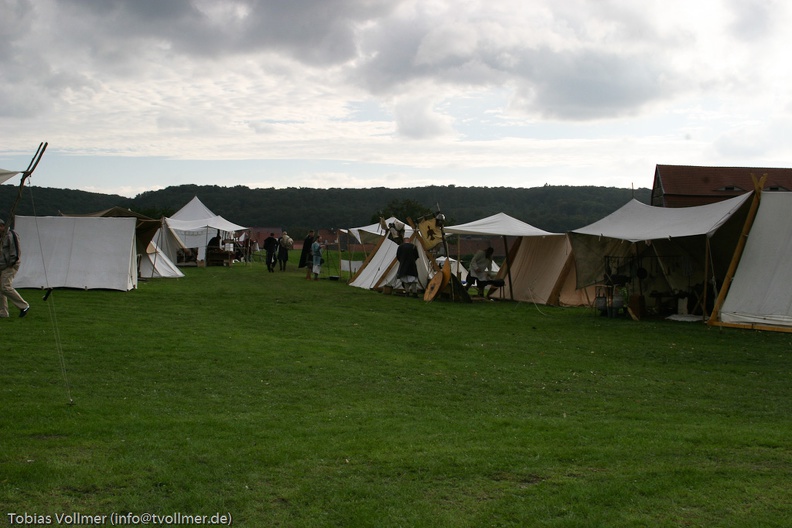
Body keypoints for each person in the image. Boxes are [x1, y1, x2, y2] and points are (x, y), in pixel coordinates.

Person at [0, 219, 30, 318]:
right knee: (1, 289)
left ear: (3, 226)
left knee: (5, 286)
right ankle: (3, 312)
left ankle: (24, 306)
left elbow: (15, 250)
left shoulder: (11, 235)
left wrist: (12, 263)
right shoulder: (1, 237)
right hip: (2, 265)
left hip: (10, 265)